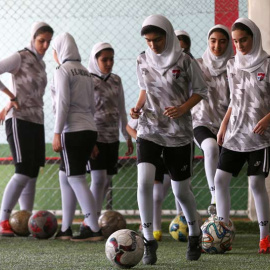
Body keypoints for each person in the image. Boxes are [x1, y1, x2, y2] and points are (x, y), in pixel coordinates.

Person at [130, 14, 208, 264]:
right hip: (149, 129)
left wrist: (183, 108)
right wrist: (137, 107)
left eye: (157, 39)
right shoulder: (142, 59)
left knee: (180, 190)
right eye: (148, 40)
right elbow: (144, 87)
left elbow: (201, 91)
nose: (152, 44)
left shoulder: (185, 61)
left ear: (169, 36)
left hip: (178, 133)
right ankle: (148, 241)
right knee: (143, 183)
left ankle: (195, 234)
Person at [215, 18, 270, 254]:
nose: (239, 45)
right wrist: (223, 125)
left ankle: (264, 238)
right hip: (235, 133)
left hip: (260, 136)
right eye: (236, 41)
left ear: (254, 38)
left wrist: (267, 119)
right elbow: (234, 101)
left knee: (256, 183)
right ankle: (222, 234)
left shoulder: (267, 65)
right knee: (219, 180)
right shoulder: (231, 65)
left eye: (244, 40)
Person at [0, 22, 54, 236]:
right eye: (42, 40)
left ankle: (25, 220)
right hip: (19, 118)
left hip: (37, 121)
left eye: (49, 41)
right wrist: (10, 97)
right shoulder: (20, 56)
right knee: (22, 170)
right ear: (33, 38)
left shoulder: (41, 65)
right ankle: (3, 220)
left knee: (32, 174)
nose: (45, 45)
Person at [51, 33, 103, 242]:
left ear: (60, 50)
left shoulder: (62, 70)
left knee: (76, 178)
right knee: (65, 175)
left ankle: (94, 228)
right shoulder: (85, 72)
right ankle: (65, 229)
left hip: (72, 129)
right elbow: (92, 105)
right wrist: (93, 139)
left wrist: (56, 132)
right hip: (88, 129)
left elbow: (62, 103)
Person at [86, 42, 133, 218]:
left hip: (112, 137)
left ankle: (96, 217)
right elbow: (85, 110)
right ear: (95, 59)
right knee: (97, 180)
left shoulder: (116, 80)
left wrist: (126, 136)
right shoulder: (88, 80)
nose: (108, 63)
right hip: (95, 137)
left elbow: (121, 109)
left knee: (106, 181)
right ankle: (90, 220)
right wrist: (90, 141)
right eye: (104, 59)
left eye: (111, 59)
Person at [191, 25, 233, 215]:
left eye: (222, 41)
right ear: (208, 42)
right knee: (210, 148)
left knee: (224, 173)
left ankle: (223, 218)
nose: (217, 45)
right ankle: (213, 196)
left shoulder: (234, 65)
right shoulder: (198, 65)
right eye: (213, 41)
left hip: (228, 125)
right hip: (201, 121)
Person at [126, 119, 171, 242]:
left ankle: (184, 221)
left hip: (172, 148)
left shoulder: (175, 102)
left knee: (181, 189)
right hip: (153, 153)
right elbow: (129, 127)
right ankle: (154, 230)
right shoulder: (144, 104)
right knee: (156, 196)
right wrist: (140, 139)